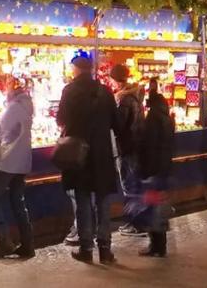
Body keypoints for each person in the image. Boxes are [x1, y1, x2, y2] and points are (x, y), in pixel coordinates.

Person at [57, 55, 119, 264]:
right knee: (102, 202)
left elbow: (61, 119)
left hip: (79, 155)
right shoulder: (105, 91)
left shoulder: (70, 91)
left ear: (76, 69)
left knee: (82, 200)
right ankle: (105, 249)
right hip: (101, 154)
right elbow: (116, 123)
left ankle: (86, 248)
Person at [0, 77, 35, 259]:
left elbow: (0, 131)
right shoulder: (27, 105)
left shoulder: (14, 107)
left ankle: (4, 241)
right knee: (18, 201)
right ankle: (28, 243)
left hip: (8, 160)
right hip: (23, 161)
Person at [135, 78, 176, 257]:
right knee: (159, 205)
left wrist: (144, 169)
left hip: (153, 169)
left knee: (153, 207)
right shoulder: (167, 118)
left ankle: (156, 245)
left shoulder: (153, 119)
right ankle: (160, 245)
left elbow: (148, 145)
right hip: (164, 168)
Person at [109, 64, 146, 238]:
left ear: (115, 80)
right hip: (136, 146)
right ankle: (139, 221)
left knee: (129, 186)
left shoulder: (123, 99)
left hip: (126, 147)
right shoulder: (136, 96)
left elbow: (119, 125)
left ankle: (135, 223)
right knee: (135, 185)